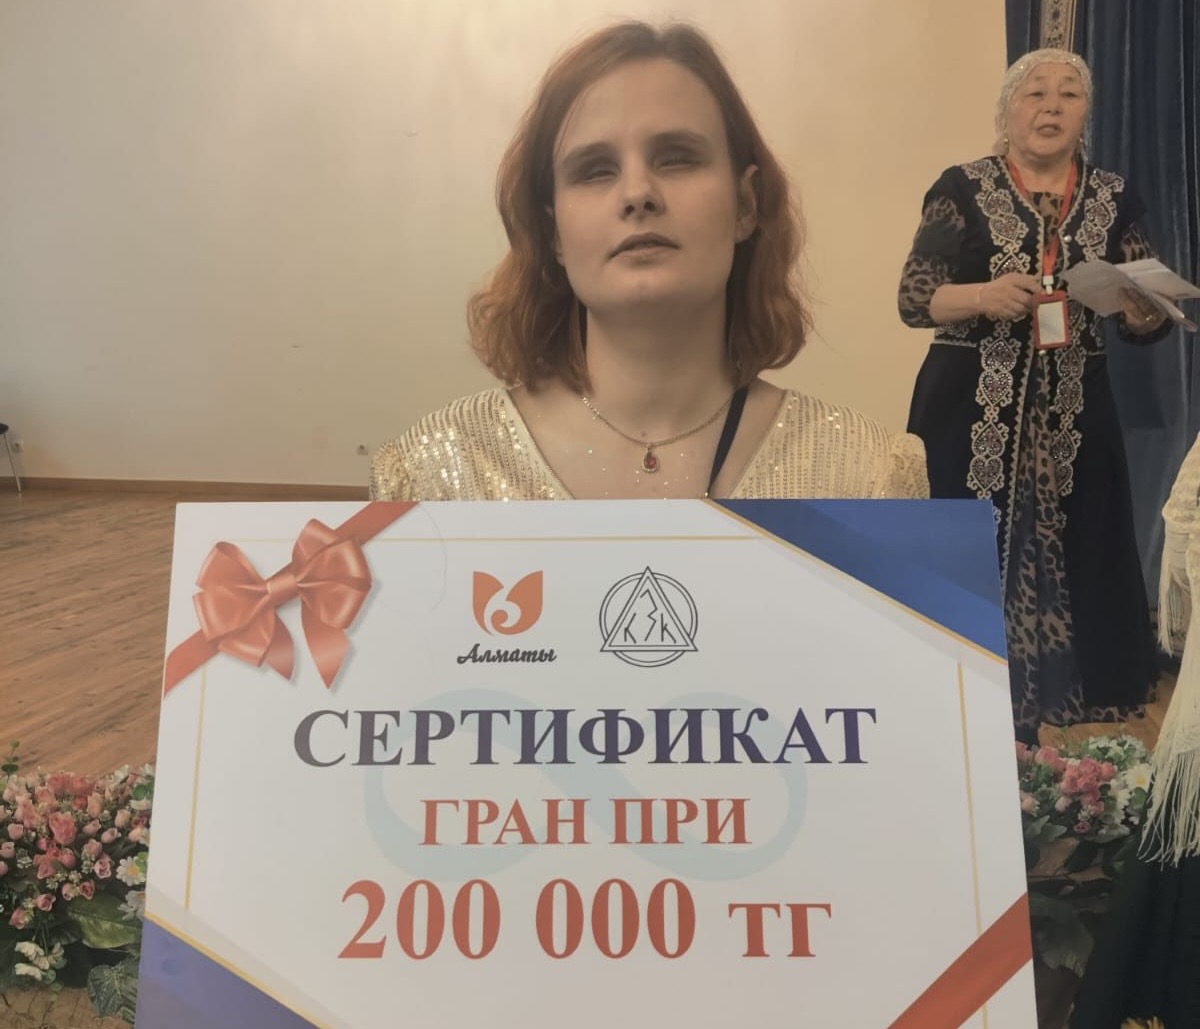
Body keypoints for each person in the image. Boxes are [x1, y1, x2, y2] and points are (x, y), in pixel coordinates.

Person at [371, 21, 926, 503]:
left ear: (745, 204)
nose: (638, 193)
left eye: (677, 158)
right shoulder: (427, 478)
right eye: (595, 170)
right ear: (552, 231)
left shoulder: (869, 478)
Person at [897, 48, 1171, 744]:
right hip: (969, 411)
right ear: (1007, 111)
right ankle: (959, 714)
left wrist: (1145, 312)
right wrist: (984, 295)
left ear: (1087, 113)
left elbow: (1144, 312)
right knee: (967, 551)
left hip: (1077, 409)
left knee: (1085, 552)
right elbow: (915, 298)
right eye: (1035, 93)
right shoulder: (961, 188)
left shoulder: (1114, 196)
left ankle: (1057, 736)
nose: (1051, 106)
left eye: (1069, 94)